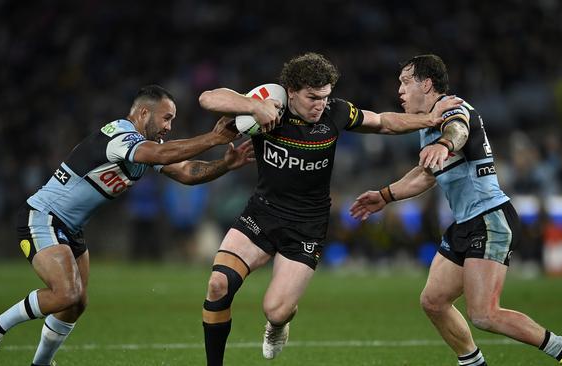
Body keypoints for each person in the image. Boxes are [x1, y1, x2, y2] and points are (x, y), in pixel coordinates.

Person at [197, 52, 463, 365]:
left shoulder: (336, 113)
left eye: (325, 97)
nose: (319, 104)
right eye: (312, 97)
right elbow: (209, 98)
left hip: (307, 226)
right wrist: (254, 105)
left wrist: (429, 120)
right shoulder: (270, 107)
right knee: (218, 285)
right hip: (262, 214)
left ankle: (279, 324)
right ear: (291, 92)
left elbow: (383, 122)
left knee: (276, 309)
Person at [0, 85, 260, 366]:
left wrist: (224, 165)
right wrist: (213, 138)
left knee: (76, 303)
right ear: (144, 113)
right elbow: (161, 155)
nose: (169, 127)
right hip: (43, 216)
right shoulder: (119, 135)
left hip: (71, 228)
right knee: (65, 294)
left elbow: (185, 172)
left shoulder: (147, 147)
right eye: (167, 118)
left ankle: (41, 363)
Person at [349, 54, 562, 366]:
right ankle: (473, 363)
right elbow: (426, 174)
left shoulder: (454, 108)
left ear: (426, 84)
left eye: (405, 82)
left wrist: (445, 145)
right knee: (434, 301)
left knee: (484, 314)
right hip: (467, 223)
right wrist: (385, 195)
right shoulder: (429, 124)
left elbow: (459, 131)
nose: (399, 89)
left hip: (490, 219)